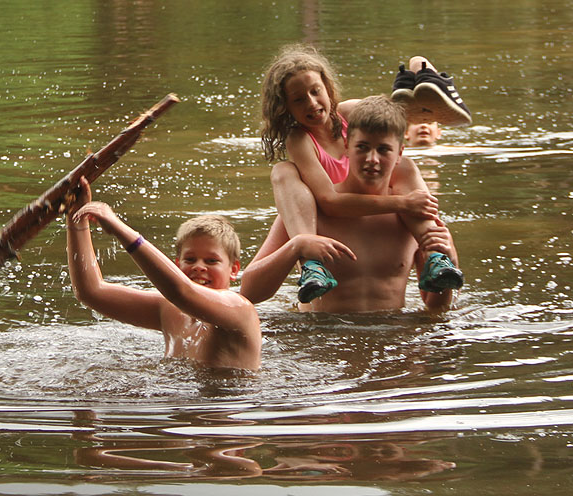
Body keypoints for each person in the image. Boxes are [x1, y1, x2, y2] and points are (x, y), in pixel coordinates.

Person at [253, 44, 462, 304]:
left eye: (315, 91)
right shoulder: (299, 140)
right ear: (285, 107)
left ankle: (436, 256)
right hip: (331, 202)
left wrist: (419, 81)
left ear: (327, 90)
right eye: (298, 99)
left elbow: (391, 117)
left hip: (374, 193)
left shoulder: (349, 112)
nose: (312, 103)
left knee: (405, 164)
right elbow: (329, 201)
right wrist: (404, 202)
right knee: (283, 171)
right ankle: (312, 264)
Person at [66, 178, 261, 371]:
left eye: (212, 261)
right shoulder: (170, 310)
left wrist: (118, 228)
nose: (199, 267)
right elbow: (91, 291)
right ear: (177, 265)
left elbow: (181, 292)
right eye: (190, 259)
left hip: (228, 402)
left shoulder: (239, 310)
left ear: (234, 270)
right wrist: (76, 220)